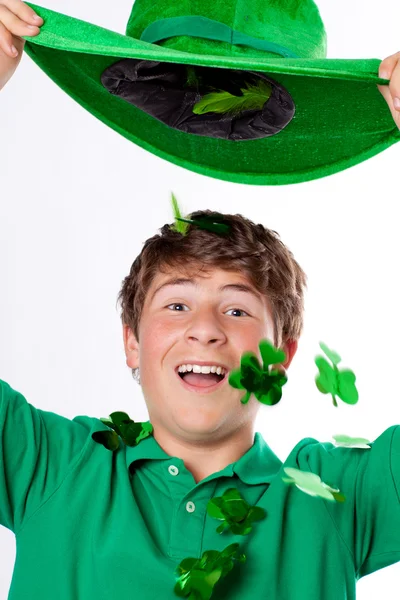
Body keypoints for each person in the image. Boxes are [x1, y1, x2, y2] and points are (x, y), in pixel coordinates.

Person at [1, 206, 400, 600]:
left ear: (280, 359)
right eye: (177, 306)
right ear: (133, 343)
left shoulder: (332, 497)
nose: (206, 329)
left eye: (237, 310)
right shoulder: (50, 464)